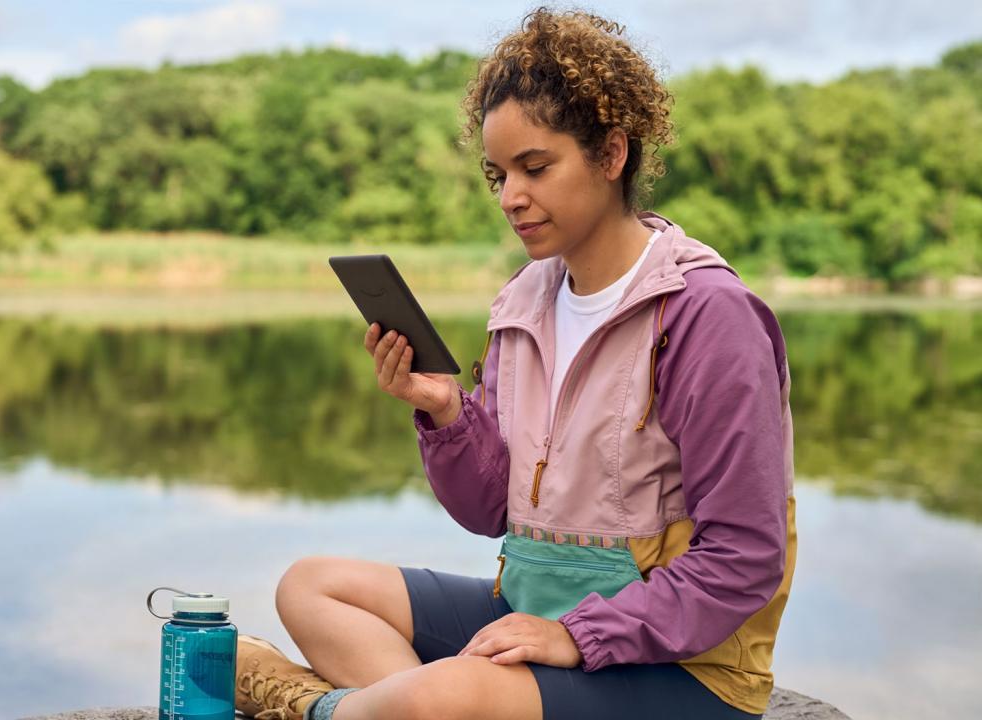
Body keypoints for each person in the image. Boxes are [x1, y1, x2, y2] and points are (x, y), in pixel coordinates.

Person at [233, 8, 796, 720]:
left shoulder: (706, 315)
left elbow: (744, 557)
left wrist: (577, 634)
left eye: (535, 167)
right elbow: (491, 511)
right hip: (533, 610)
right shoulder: (523, 304)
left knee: (446, 695)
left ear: (613, 154)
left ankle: (311, 708)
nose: (510, 197)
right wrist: (443, 411)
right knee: (312, 586)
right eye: (497, 175)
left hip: (683, 668)